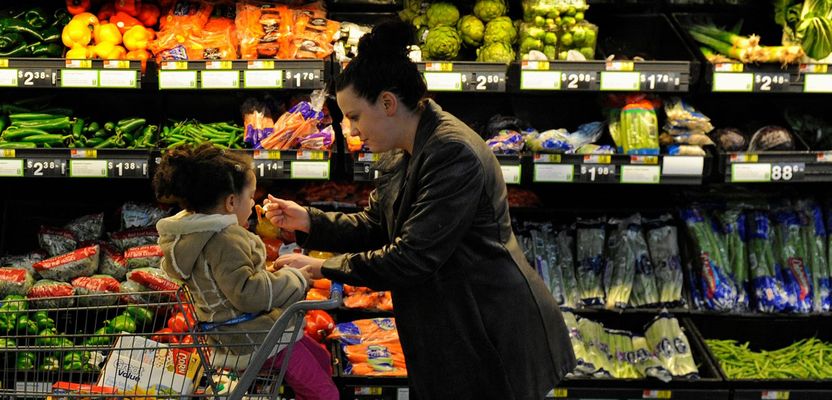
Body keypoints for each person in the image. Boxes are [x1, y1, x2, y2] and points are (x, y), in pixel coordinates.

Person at [265, 20, 574, 400]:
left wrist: (323, 267)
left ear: (388, 103)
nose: (351, 129)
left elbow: (412, 257)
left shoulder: (451, 152)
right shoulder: (404, 148)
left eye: (355, 116)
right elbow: (378, 224)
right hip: (453, 323)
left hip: (489, 328)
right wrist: (309, 220)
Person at [152, 143, 339, 400]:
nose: (253, 202)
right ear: (231, 202)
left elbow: (229, 282)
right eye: (251, 195)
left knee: (321, 357)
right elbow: (247, 294)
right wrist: (294, 279)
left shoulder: (198, 236)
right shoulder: (225, 240)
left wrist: (271, 271)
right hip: (255, 338)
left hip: (243, 333)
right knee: (325, 394)